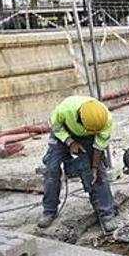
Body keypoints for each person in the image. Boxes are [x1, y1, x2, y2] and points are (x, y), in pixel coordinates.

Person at [38, 95, 117, 230]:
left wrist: (94, 167)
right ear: (80, 119)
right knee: (52, 170)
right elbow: (55, 126)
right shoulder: (64, 110)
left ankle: (106, 214)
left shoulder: (106, 120)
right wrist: (70, 142)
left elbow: (99, 145)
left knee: (98, 175)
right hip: (63, 131)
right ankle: (49, 211)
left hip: (90, 137)